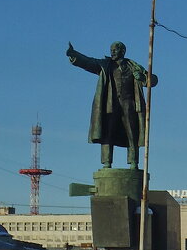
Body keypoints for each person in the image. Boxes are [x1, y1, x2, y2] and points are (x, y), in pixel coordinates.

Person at [66, 41, 157, 169]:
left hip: (130, 104)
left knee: (132, 134)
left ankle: (133, 162)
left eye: (115, 49)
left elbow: (153, 80)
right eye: (111, 49)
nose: (112, 52)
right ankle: (107, 162)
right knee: (107, 133)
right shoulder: (105, 65)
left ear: (123, 51)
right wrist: (74, 54)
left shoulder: (133, 66)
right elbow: (88, 62)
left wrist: (143, 78)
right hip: (110, 105)